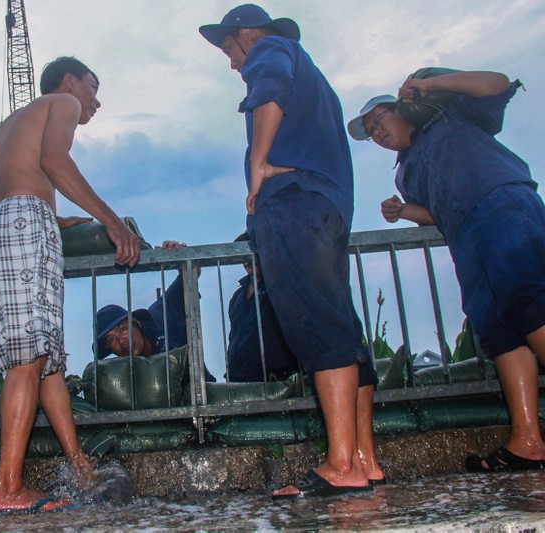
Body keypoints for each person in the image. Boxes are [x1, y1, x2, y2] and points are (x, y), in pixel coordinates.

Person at [199, 4, 383, 498]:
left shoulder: (272, 48)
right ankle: (364, 458)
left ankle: (341, 465)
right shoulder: (313, 74)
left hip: (294, 204)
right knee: (341, 326)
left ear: (245, 35)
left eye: (228, 48)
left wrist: (258, 164)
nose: (232, 63)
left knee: (319, 328)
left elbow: (270, 85)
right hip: (325, 205)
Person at [349, 70, 545, 472]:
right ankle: (528, 440)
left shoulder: (450, 113)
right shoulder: (404, 173)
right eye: (371, 133)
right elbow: (435, 213)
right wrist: (404, 211)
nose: (377, 134)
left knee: (528, 300)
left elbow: (497, 83)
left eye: (379, 121)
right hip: (464, 234)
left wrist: (435, 84)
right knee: (497, 329)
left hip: (500, 204)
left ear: (402, 107)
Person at [0, 56, 141, 515]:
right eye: (93, 85)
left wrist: (49, 216)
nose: (95, 99)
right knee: (31, 357)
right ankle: (8, 488)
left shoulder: (12, 122)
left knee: (44, 360)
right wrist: (111, 221)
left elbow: (14, 182)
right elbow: (53, 159)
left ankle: (80, 468)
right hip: (25, 220)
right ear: (70, 81)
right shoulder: (61, 101)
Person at [94, 240, 216, 387]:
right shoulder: (122, 377)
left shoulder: (162, 312)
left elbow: (191, 272)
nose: (121, 342)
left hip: (201, 396)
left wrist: (180, 253)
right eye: (111, 340)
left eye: (123, 329)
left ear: (136, 322)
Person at [226, 233, 297, 382]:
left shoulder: (282, 286)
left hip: (277, 380)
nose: (250, 258)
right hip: (239, 382)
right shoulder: (237, 296)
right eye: (245, 253)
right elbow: (234, 337)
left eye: (256, 251)